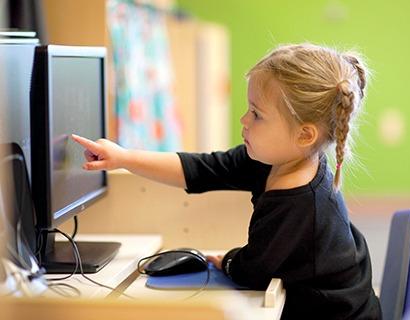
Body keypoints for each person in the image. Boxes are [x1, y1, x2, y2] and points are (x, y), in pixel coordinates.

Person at [72, 43, 382, 319]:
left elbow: (253, 270)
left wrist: (225, 261)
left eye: (256, 114)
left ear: (304, 134)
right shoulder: (280, 160)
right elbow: (201, 169)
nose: (244, 120)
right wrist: (123, 157)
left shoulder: (299, 202)